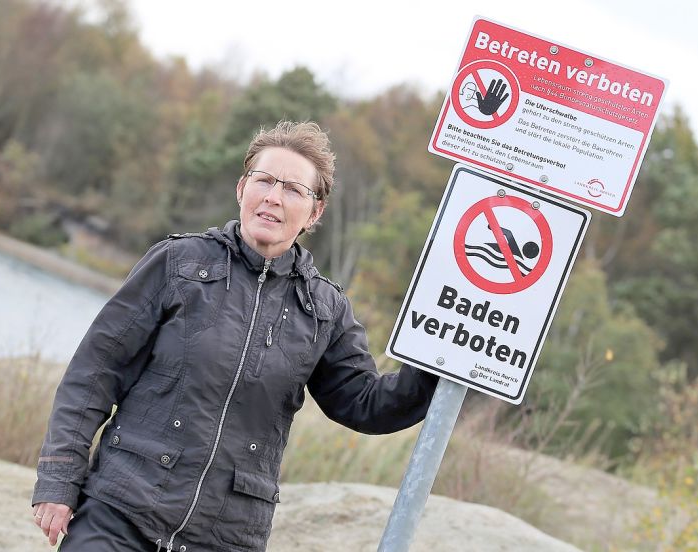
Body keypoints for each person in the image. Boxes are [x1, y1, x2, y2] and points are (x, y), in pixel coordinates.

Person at [30, 121, 439, 551]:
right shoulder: (177, 264)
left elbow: (366, 405)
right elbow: (95, 372)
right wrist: (59, 478)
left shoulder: (325, 311)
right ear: (242, 188)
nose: (273, 198)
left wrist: (438, 361)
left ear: (315, 212)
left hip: (226, 538)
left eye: (294, 190)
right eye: (264, 181)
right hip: (119, 515)